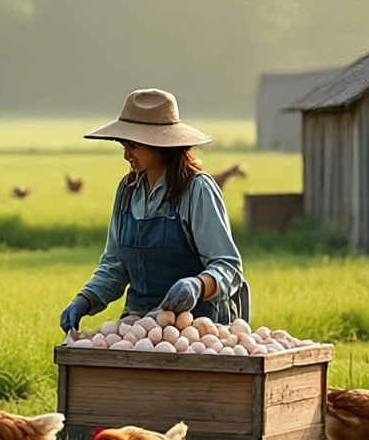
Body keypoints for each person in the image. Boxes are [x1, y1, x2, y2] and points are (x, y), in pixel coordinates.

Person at [59, 88, 248, 334]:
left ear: (161, 144)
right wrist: (84, 300)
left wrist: (197, 285)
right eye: (124, 145)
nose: (127, 155)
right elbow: (115, 266)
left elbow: (228, 266)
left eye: (134, 145)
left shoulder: (196, 190)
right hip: (139, 326)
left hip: (198, 329)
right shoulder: (127, 191)